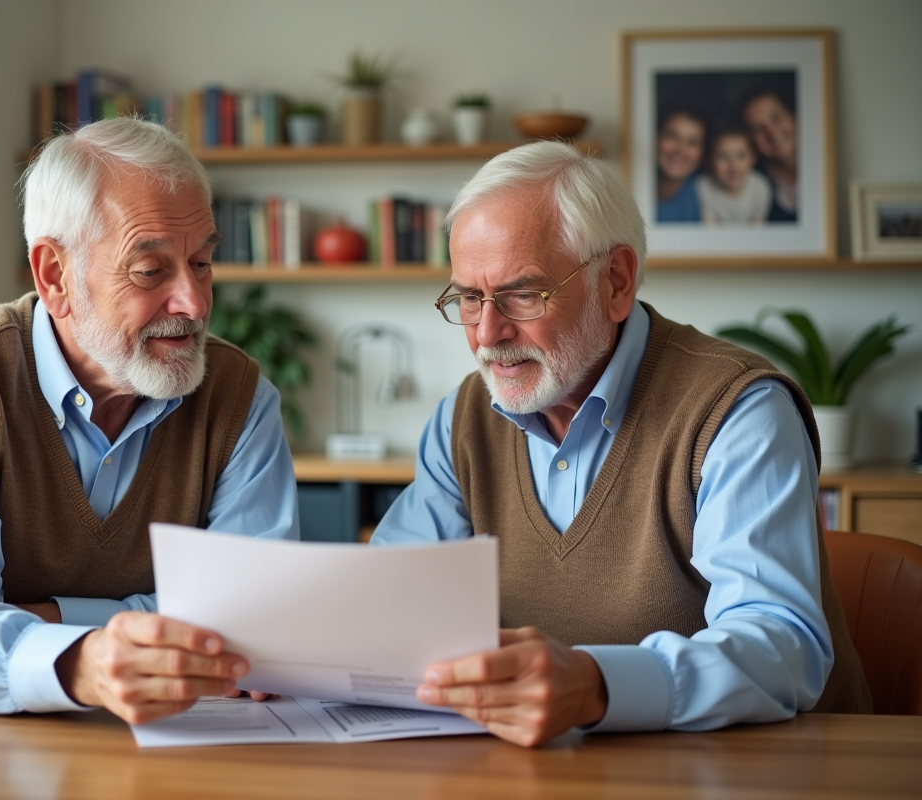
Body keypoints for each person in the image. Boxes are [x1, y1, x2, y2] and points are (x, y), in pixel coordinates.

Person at [371, 141, 871, 747]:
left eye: (523, 293)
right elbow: (388, 602)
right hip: (543, 773)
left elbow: (779, 645)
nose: (487, 334)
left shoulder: (737, 410)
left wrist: (595, 685)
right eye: (470, 298)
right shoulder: (464, 418)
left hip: (762, 772)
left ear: (615, 281)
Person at [0, 117, 299, 725]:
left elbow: (252, 614)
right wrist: (83, 659)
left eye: (203, 261)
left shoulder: (239, 397)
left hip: (148, 743)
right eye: (151, 270)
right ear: (56, 275)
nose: (195, 302)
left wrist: (49, 617)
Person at [695, 122, 773, 224]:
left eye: (741, 156)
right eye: (723, 156)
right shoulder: (701, 188)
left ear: (753, 158)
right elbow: (709, 232)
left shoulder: (761, 187)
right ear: (709, 161)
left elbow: (758, 230)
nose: (733, 166)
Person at [741, 88, 798, 222]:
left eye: (776, 118)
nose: (772, 133)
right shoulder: (750, 184)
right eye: (758, 129)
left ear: (795, 117)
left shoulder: (825, 170)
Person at [654, 107, 706, 222]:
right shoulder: (631, 186)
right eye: (672, 136)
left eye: (692, 142)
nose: (680, 150)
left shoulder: (704, 193)